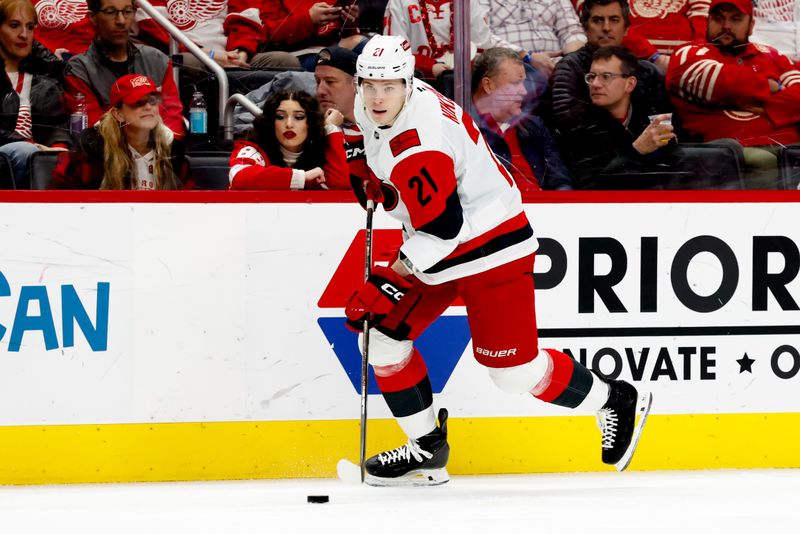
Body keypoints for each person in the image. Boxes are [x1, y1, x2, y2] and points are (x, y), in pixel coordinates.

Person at [345, 35, 652, 486]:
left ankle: (616, 398)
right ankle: (427, 449)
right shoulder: (375, 100)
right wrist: (362, 162)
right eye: (369, 84)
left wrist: (387, 282)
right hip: (438, 244)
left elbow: (442, 228)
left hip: (491, 246)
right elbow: (371, 141)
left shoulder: (421, 145)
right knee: (381, 342)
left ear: (407, 83)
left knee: (513, 374)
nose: (376, 96)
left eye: (387, 86)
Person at [665, 0, 800, 188]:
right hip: (727, 154)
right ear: (708, 20)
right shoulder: (690, 52)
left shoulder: (772, 54)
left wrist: (760, 106)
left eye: (735, 19)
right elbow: (703, 77)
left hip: (790, 148)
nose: (726, 26)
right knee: (763, 160)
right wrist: (768, 87)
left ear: (751, 25)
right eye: (718, 19)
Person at [551, 0, 671, 161]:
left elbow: (665, 126)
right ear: (585, 28)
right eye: (598, 20)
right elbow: (568, 125)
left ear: (626, 28)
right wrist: (635, 148)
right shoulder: (569, 67)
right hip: (593, 162)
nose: (606, 27)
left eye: (614, 20)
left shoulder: (646, 71)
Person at [63, 0, 186, 137]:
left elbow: (173, 117)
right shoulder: (79, 70)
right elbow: (92, 129)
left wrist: (165, 148)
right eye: (111, 12)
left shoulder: (157, 60)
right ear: (92, 17)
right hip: (108, 153)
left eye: (127, 12)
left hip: (158, 150)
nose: (121, 21)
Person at [50, 73, 189, 189]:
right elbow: (56, 200)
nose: (148, 107)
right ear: (118, 114)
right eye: (138, 103)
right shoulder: (91, 152)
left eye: (153, 101)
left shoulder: (173, 152)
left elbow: (192, 204)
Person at [471, 47, 573, 191]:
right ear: (488, 85)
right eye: (515, 83)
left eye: (523, 83)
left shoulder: (534, 125)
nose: (524, 91)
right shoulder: (464, 129)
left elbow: (561, 181)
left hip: (545, 209)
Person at [0, 0, 71, 189]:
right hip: (11, 157)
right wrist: (31, 145)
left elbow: (56, 127)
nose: (24, 34)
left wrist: (59, 148)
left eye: (30, 27)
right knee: (24, 151)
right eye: (14, 25)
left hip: (36, 160)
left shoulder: (45, 78)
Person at [228, 89, 349, 189]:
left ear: (311, 123)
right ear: (271, 122)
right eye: (280, 117)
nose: (289, 124)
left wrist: (329, 128)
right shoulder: (253, 148)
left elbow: (343, 184)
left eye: (299, 117)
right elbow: (239, 177)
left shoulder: (321, 151)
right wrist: (301, 177)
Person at [383, 0, 523, 79]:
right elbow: (393, 52)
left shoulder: (468, 3)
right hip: (419, 80)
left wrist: (467, 65)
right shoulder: (399, 2)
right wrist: (429, 66)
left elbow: (483, 47)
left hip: (467, 80)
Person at [477, 0, 587, 78]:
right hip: (508, 64)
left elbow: (571, 31)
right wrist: (527, 57)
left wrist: (570, 63)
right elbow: (481, 36)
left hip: (555, 66)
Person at [256, 0, 364, 71]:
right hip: (297, 56)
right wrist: (308, 20)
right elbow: (267, 33)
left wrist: (349, 21)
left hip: (331, 50)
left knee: (364, 45)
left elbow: (348, 35)